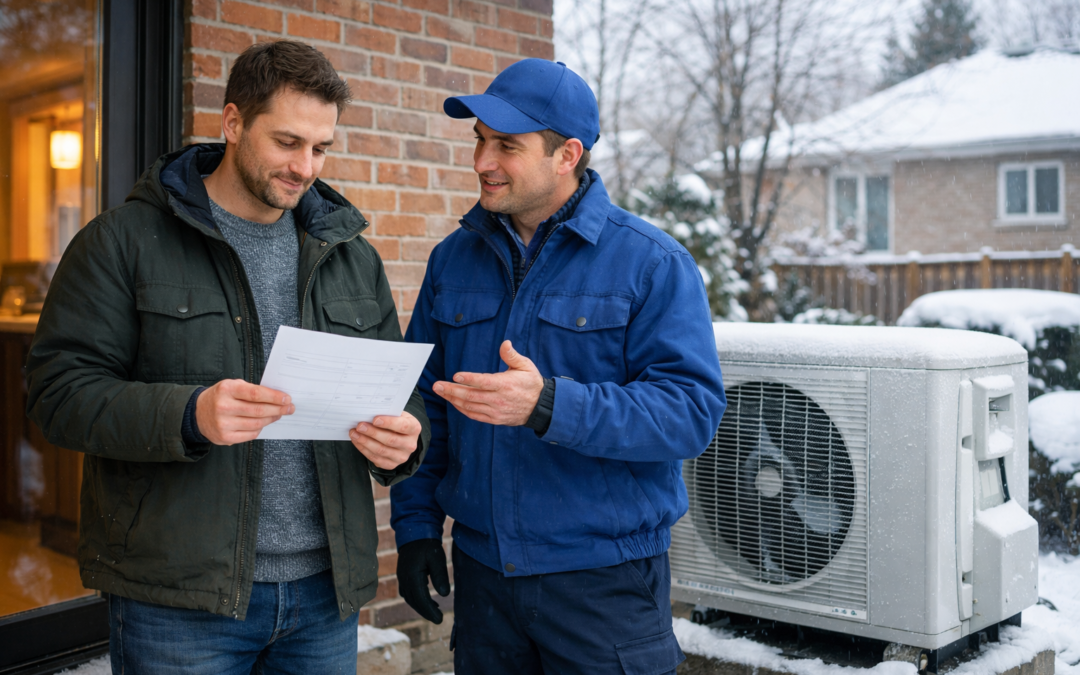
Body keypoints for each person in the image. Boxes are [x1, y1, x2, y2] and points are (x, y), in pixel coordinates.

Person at [25, 40, 429, 675]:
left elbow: (399, 395)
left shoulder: (352, 255)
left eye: (321, 148)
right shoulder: (122, 242)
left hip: (325, 596)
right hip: (181, 602)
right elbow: (57, 396)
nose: (306, 167)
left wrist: (406, 437)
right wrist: (189, 414)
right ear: (234, 122)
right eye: (288, 142)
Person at [390, 58, 727, 674]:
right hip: (485, 581)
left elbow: (690, 413)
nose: (482, 162)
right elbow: (422, 402)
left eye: (507, 146)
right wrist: (415, 527)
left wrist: (549, 405)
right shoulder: (452, 261)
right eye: (480, 141)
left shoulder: (651, 263)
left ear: (567, 154)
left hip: (604, 584)